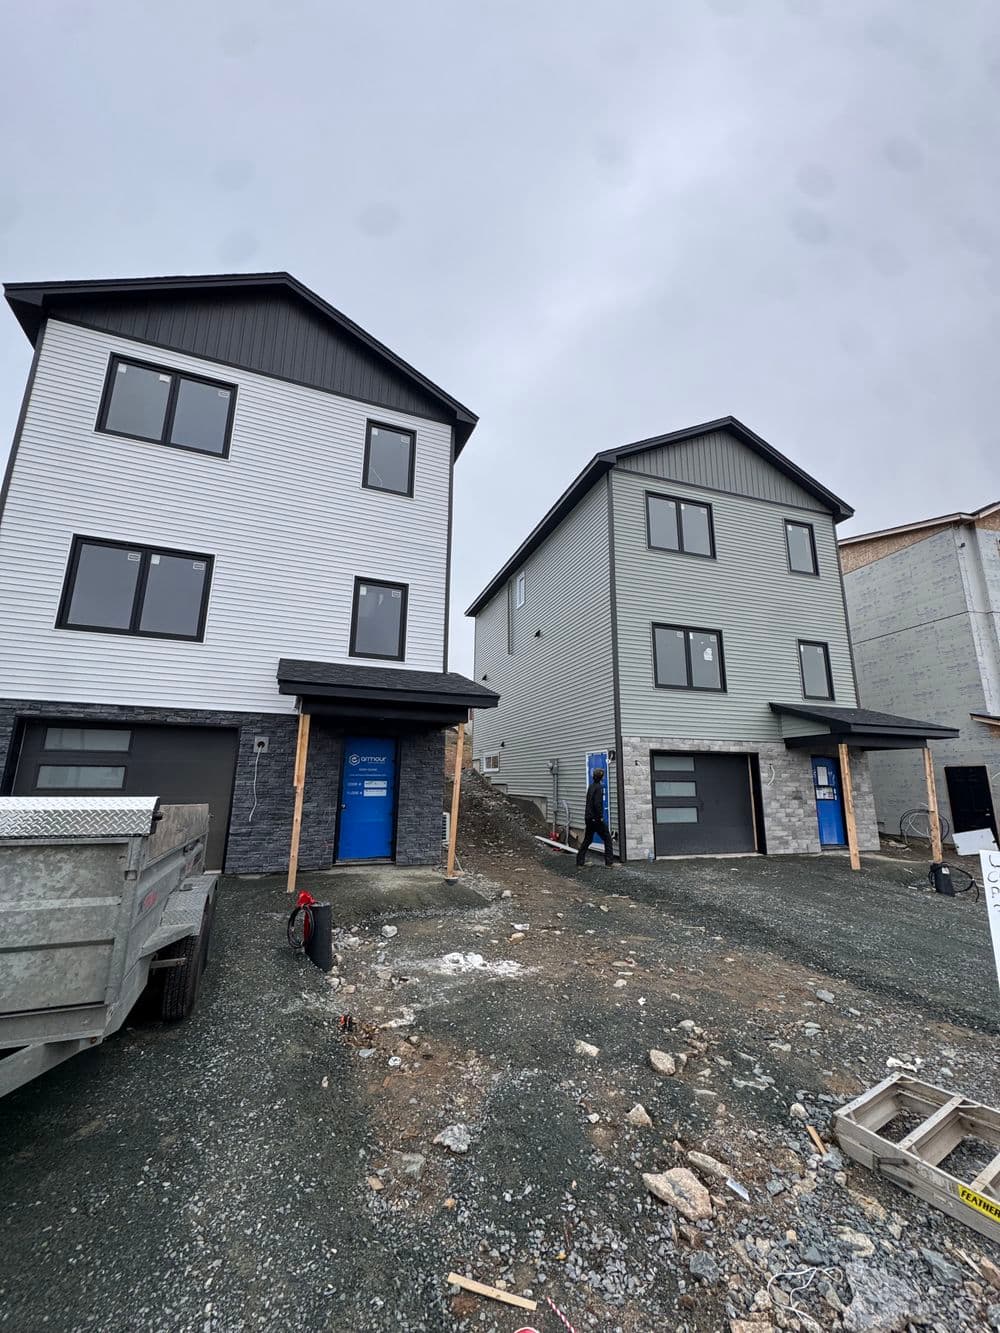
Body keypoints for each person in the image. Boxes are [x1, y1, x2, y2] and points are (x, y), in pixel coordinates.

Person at [577, 768, 615, 867]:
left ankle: (580, 861)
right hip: (596, 819)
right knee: (607, 838)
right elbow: (597, 804)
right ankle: (609, 862)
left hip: (588, 817)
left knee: (588, 839)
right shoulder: (599, 788)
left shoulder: (591, 787)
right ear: (601, 777)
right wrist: (600, 817)